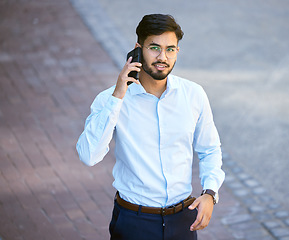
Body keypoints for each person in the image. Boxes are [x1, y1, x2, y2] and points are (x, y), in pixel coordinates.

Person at [76, 14, 225, 240]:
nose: (162, 57)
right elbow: (89, 155)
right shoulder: (110, 99)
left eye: (170, 49)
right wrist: (118, 96)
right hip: (134, 222)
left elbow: (210, 149)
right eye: (154, 47)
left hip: (183, 220)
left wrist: (210, 193)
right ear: (138, 49)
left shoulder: (193, 95)